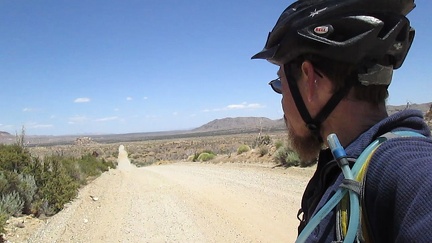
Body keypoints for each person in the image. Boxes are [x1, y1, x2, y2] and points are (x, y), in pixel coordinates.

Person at [252, 0, 432, 242]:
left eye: (280, 84)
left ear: (310, 78)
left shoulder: (408, 171)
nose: (282, 104)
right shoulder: (343, 166)